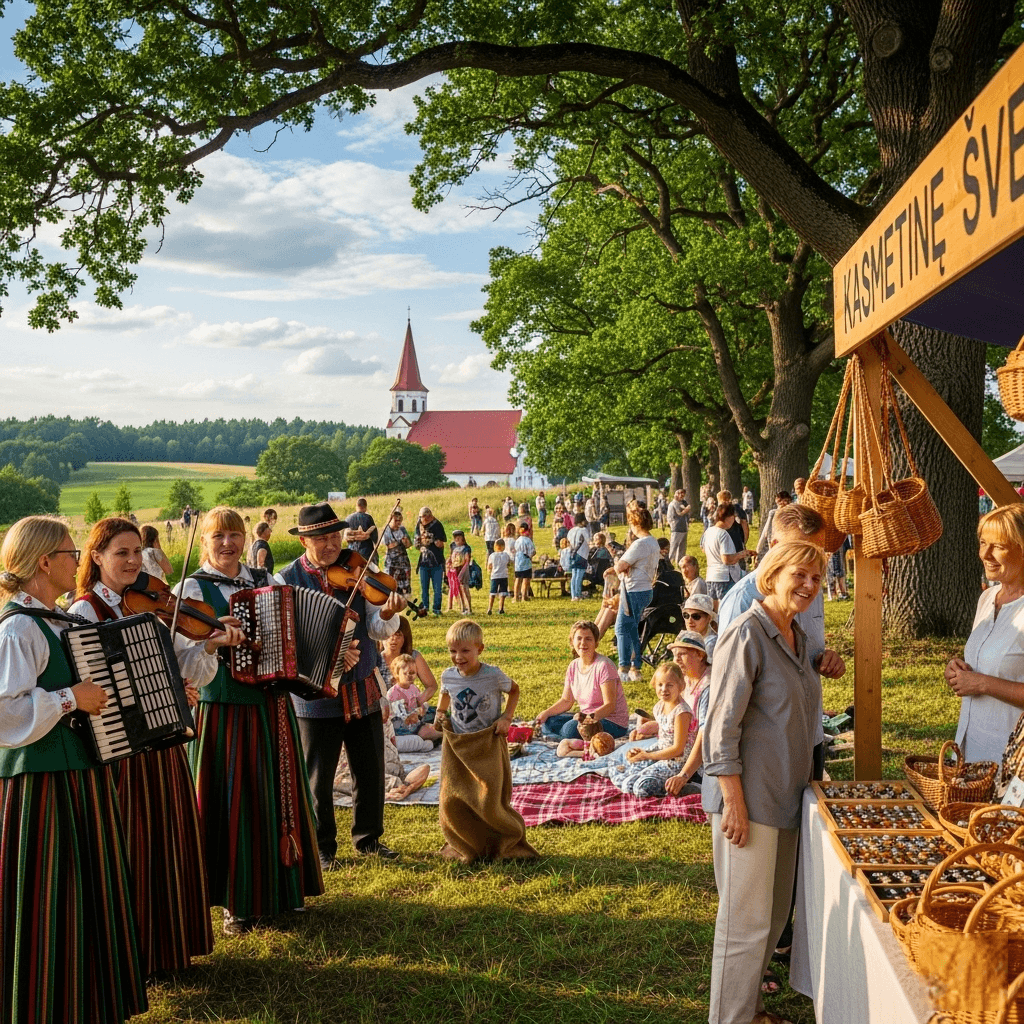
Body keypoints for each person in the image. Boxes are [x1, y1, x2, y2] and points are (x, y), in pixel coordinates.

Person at [69, 517, 243, 970]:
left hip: (163, 742)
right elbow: (87, 684)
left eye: (135, 553)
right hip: (122, 753)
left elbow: (179, 658)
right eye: (120, 553)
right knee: (132, 845)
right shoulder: (85, 611)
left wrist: (203, 653)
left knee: (167, 840)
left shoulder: (149, 604)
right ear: (97, 557)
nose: (131, 562)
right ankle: (135, 953)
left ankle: (169, 946)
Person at [0, 516, 148, 1024]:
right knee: (49, 894)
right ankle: (45, 1001)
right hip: (40, 785)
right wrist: (70, 699)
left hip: (79, 774)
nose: (76, 561)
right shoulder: (19, 627)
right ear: (44, 562)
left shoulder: (57, 620)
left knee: (86, 887)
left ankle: (85, 997)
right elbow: (6, 713)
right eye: (69, 553)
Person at [176, 506, 324, 933]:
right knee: (230, 799)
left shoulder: (266, 580)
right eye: (218, 536)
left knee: (279, 796)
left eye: (234, 535)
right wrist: (213, 640)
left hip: (271, 705)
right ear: (203, 541)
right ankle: (235, 901)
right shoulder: (191, 589)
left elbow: (294, 630)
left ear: (245, 539)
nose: (227, 543)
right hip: (221, 706)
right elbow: (181, 654)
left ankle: (286, 888)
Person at [702, 541, 829, 1024]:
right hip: (748, 801)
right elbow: (720, 728)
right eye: (799, 575)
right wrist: (733, 801)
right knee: (744, 924)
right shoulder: (746, 634)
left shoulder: (795, 635)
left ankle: (750, 1008)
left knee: (773, 919)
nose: (808, 586)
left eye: (816, 579)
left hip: (787, 797)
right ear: (772, 574)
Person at [276, 502, 406, 871]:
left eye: (335, 535)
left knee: (369, 765)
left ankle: (368, 839)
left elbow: (377, 629)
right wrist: (327, 655)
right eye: (321, 538)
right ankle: (322, 847)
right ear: (304, 540)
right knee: (319, 772)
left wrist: (386, 614)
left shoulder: (361, 568)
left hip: (361, 681)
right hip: (314, 692)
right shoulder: (284, 581)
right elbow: (285, 637)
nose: (331, 544)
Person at [946, 503, 1024, 767]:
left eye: (999, 546)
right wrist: (959, 670)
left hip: (1013, 761)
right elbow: (987, 660)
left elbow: (985, 680)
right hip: (973, 746)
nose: (986, 554)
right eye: (983, 543)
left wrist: (981, 683)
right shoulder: (988, 597)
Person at [537, 620, 630, 740]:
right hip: (585, 718)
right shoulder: (573, 666)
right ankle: (561, 736)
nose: (583, 643)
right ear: (572, 642)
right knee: (550, 721)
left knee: (570, 729)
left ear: (596, 643)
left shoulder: (604, 665)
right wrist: (546, 713)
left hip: (611, 722)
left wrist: (586, 718)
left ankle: (560, 738)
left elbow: (610, 705)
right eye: (579, 638)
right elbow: (566, 700)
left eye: (588, 639)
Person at [615, 661, 692, 798]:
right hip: (660, 753)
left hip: (676, 764)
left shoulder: (681, 713)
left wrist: (648, 755)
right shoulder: (659, 706)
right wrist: (643, 752)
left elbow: (677, 749)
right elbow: (663, 738)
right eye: (660, 684)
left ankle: (684, 786)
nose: (664, 689)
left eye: (670, 685)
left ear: (681, 686)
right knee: (626, 780)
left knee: (641, 789)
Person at [614, 500, 660, 683]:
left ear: (634, 523)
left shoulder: (639, 544)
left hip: (633, 589)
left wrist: (621, 567)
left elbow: (621, 566)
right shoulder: (653, 542)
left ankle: (626, 667)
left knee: (622, 628)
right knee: (634, 629)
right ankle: (634, 667)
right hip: (646, 588)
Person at [664, 631, 713, 796]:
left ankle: (697, 784)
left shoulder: (708, 687)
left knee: (645, 784)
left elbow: (704, 735)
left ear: (700, 656)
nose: (676, 660)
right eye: (674, 655)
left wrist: (683, 775)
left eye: (682, 654)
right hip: (681, 749)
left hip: (701, 758)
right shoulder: (685, 680)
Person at [380, 615, 440, 747]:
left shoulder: (413, 656)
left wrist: (417, 704)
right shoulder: (376, 659)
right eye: (389, 634)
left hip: (411, 712)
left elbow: (431, 686)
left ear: (405, 637)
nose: (393, 639)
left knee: (441, 720)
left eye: (398, 635)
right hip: (386, 714)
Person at [702, 503, 755, 607]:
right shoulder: (723, 534)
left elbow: (704, 549)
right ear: (730, 517)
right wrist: (741, 554)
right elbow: (727, 560)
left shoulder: (708, 532)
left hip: (711, 576)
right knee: (727, 608)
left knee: (714, 611)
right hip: (724, 578)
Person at [387, 653, 442, 742]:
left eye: (413, 673)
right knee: (425, 731)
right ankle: (443, 735)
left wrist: (421, 710)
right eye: (405, 673)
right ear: (396, 674)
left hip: (415, 721)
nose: (410, 676)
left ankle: (437, 733)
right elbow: (398, 715)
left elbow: (419, 704)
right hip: (400, 726)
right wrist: (411, 717)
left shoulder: (413, 688)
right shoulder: (393, 693)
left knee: (437, 713)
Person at [414, 506, 447, 617]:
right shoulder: (418, 524)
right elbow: (416, 543)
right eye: (422, 518)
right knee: (424, 587)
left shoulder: (437, 525)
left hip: (436, 561)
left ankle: (436, 609)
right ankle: (425, 608)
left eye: (426, 518)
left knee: (437, 587)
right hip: (424, 561)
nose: (424, 521)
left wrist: (437, 542)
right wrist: (420, 544)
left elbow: (442, 542)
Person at [381, 507, 413, 595]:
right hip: (392, 561)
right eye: (396, 520)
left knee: (405, 583)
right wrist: (399, 543)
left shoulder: (402, 529)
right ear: (391, 520)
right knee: (392, 583)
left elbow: (409, 544)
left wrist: (406, 542)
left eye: (400, 520)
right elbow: (388, 545)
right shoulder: (387, 530)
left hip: (403, 559)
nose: (398, 522)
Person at [682, 593, 718, 661]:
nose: (690, 621)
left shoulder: (711, 645)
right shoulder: (686, 638)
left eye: (696, 616)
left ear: (709, 618)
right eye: (686, 615)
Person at [756, 491, 792, 559]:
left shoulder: (792, 513)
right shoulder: (773, 513)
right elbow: (766, 529)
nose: (783, 503)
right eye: (780, 501)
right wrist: (759, 547)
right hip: (773, 541)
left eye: (785, 501)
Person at [344, 497, 379, 563]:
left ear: (356, 506)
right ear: (365, 507)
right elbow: (375, 537)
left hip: (352, 552)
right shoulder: (368, 518)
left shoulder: (348, 519)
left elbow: (345, 537)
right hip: (366, 552)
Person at [566, 512, 591, 602]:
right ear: (581, 521)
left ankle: (573, 595)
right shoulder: (583, 530)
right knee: (579, 576)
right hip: (582, 555)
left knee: (574, 575)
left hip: (572, 554)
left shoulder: (571, 531)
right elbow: (589, 541)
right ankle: (578, 594)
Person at [487, 537, 511, 615]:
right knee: (502, 593)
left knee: (493, 593)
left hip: (495, 576)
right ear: (504, 547)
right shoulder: (506, 555)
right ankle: (501, 608)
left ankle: (490, 608)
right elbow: (509, 563)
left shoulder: (492, 556)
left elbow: (490, 566)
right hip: (504, 575)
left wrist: (489, 570)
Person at [667, 489, 691, 565]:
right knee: (673, 547)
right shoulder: (673, 504)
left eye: (683, 495)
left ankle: (680, 563)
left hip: (684, 528)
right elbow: (679, 513)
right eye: (680, 495)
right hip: (676, 528)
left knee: (682, 548)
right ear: (676, 494)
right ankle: (668, 563)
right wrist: (686, 510)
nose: (682, 497)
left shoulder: (682, 503)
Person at [512, 523, 535, 603]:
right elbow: (532, 551)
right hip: (526, 562)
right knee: (525, 580)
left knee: (518, 579)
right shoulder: (528, 540)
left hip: (518, 562)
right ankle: (524, 596)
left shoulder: (517, 540)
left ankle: (515, 596)